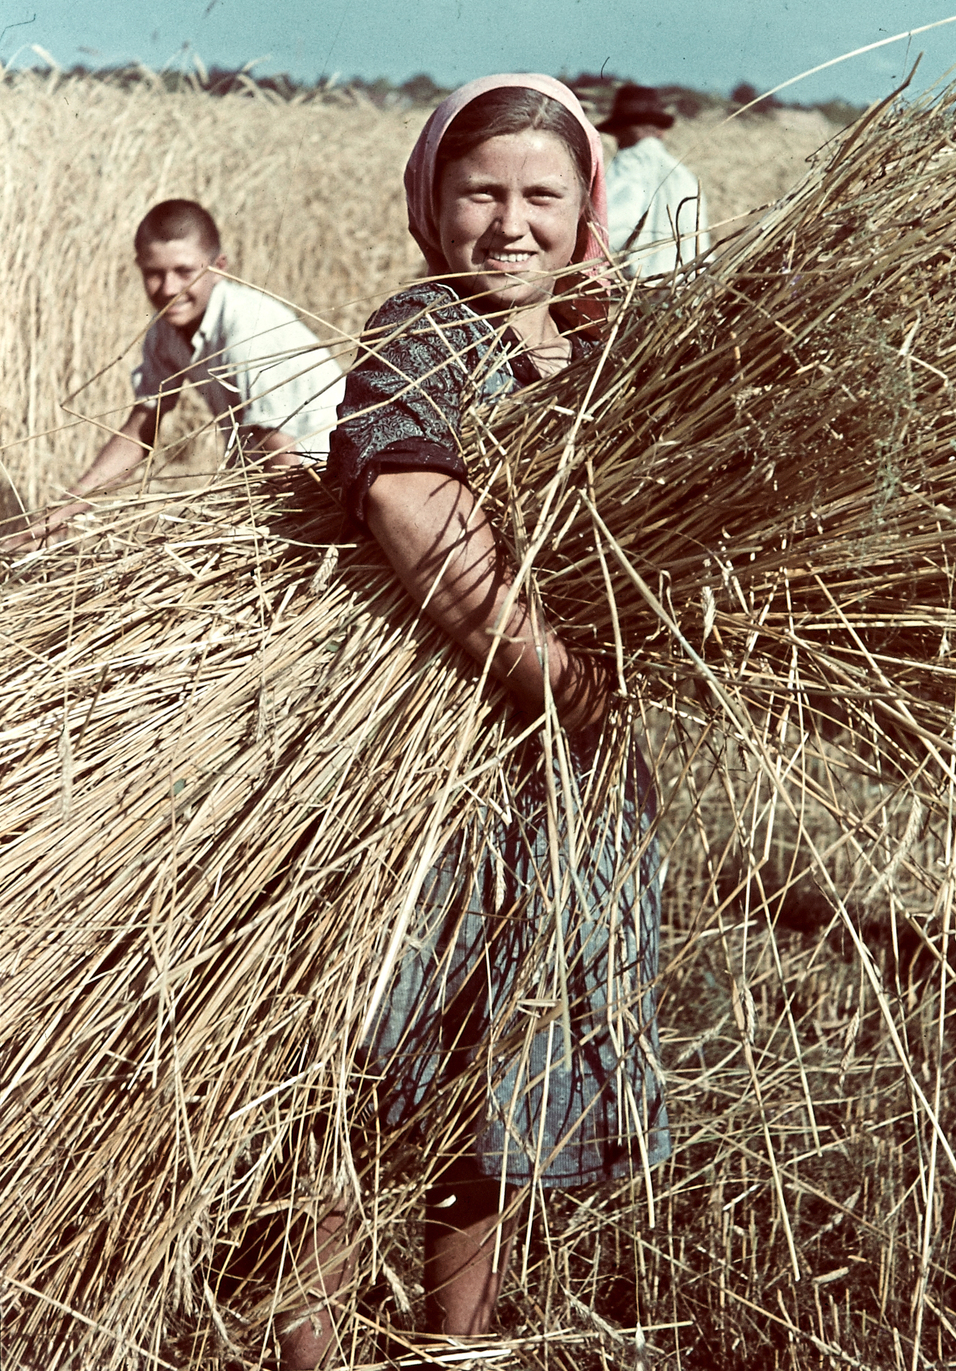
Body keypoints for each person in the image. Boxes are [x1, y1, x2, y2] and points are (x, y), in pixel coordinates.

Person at [290, 76, 670, 1369]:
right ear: (432, 202)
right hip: (426, 781)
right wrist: (555, 671)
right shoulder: (422, 332)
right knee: (345, 1097)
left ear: (585, 212)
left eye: (540, 197)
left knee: (498, 1108)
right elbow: (404, 501)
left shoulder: (610, 349)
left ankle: (455, 1354)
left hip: (558, 794)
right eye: (481, 193)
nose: (510, 225)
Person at [6, 199, 343, 545]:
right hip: (268, 478)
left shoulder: (245, 329)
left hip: (323, 478)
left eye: (184, 272)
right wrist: (60, 513)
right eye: (154, 273)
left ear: (219, 268)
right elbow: (140, 430)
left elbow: (281, 451)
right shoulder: (164, 330)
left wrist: (280, 546)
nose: (169, 290)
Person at [599, 82, 710, 278]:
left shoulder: (629, 162)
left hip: (645, 290)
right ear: (660, 131)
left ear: (623, 130)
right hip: (690, 290)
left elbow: (611, 228)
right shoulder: (684, 174)